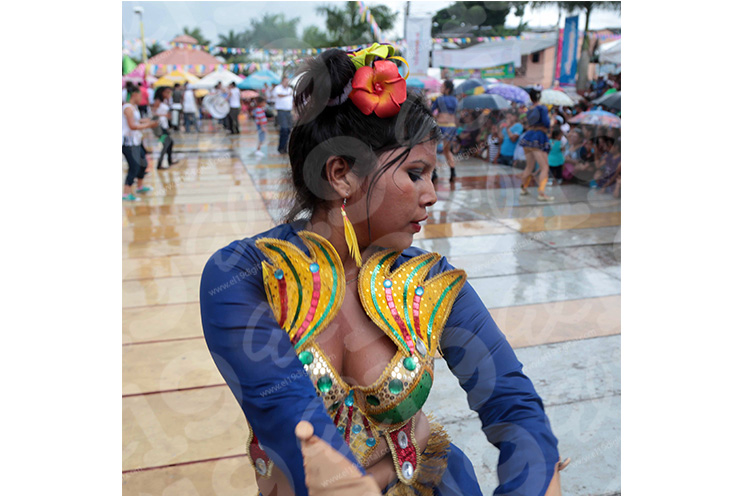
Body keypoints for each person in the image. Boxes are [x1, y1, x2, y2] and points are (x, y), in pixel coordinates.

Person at [200, 46, 567, 496]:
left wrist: (532, 478)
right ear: (341, 174)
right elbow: (300, 433)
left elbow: (512, 402)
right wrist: (386, 466)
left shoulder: (430, 281)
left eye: (432, 176)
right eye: (415, 173)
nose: (432, 195)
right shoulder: (245, 276)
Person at [122, 87, 158, 201]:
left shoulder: (133, 107)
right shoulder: (128, 108)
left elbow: (135, 121)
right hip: (128, 143)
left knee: (143, 163)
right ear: (134, 94)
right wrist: (149, 125)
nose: (142, 98)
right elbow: (132, 126)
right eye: (140, 95)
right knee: (134, 166)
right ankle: (126, 193)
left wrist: (146, 121)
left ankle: (140, 186)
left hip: (136, 141)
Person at [519, 87, 554, 201]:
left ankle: (523, 188)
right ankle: (541, 193)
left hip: (528, 136)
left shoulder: (529, 109)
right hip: (539, 137)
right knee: (545, 167)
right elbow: (546, 123)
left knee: (529, 166)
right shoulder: (542, 108)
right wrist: (551, 121)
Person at [432, 80, 458, 181]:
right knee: (447, 150)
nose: (441, 88)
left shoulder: (439, 99)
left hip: (441, 125)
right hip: (451, 126)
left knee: (433, 149)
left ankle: (434, 172)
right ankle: (453, 171)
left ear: (447, 89)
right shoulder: (455, 100)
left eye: (442, 87)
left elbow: (431, 110)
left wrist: (436, 116)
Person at [152, 87, 179, 170]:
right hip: (160, 126)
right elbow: (153, 114)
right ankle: (160, 163)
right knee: (166, 144)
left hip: (164, 125)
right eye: (167, 92)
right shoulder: (157, 101)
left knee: (169, 143)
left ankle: (169, 160)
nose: (168, 94)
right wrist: (164, 115)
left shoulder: (165, 101)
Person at [273, 76, 293, 154]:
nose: (286, 83)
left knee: (288, 130)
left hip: (288, 111)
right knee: (284, 129)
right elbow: (279, 95)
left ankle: (285, 147)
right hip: (281, 111)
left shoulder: (290, 89)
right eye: (285, 81)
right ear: (282, 82)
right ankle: (281, 147)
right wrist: (288, 94)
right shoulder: (278, 88)